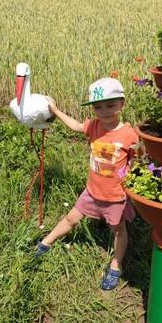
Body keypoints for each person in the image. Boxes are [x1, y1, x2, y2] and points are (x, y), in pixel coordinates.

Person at [36, 77, 140, 290]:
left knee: (118, 230)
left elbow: (139, 158)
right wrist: (55, 111)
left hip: (115, 197)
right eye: (98, 107)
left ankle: (116, 265)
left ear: (122, 103)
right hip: (92, 192)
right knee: (71, 218)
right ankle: (45, 243)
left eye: (110, 105)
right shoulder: (94, 126)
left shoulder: (129, 134)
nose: (104, 111)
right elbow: (75, 125)